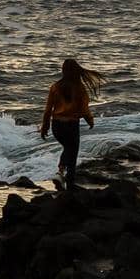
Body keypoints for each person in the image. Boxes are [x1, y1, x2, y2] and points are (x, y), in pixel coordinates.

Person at [39, 59, 103, 191]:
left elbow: (48, 110)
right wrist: (90, 120)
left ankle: (61, 174)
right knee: (72, 155)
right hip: (71, 125)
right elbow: (84, 109)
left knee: (67, 148)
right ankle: (69, 186)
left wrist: (45, 126)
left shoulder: (55, 87)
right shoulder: (79, 88)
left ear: (63, 71)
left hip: (56, 125)